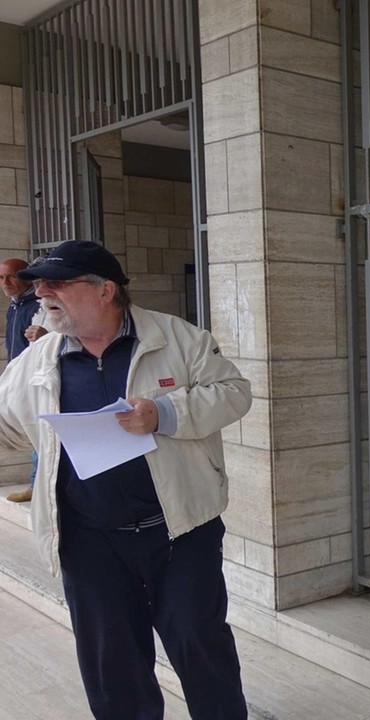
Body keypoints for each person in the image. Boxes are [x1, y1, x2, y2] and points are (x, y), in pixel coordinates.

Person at [0, 240, 251, 719]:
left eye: (56, 283)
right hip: (87, 538)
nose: (41, 294)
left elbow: (234, 392)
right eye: (37, 285)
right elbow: (5, 424)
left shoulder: (179, 339)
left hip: (180, 529)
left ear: (104, 291)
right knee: (111, 662)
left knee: (200, 644)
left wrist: (163, 413)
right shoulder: (36, 361)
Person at [1, 258, 48, 503]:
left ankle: (37, 486)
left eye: (11, 276)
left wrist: (45, 335)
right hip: (19, 378)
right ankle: (36, 484)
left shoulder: (39, 305)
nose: (5, 283)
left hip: (38, 378)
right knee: (31, 434)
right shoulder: (15, 305)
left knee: (38, 431)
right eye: (1, 278)